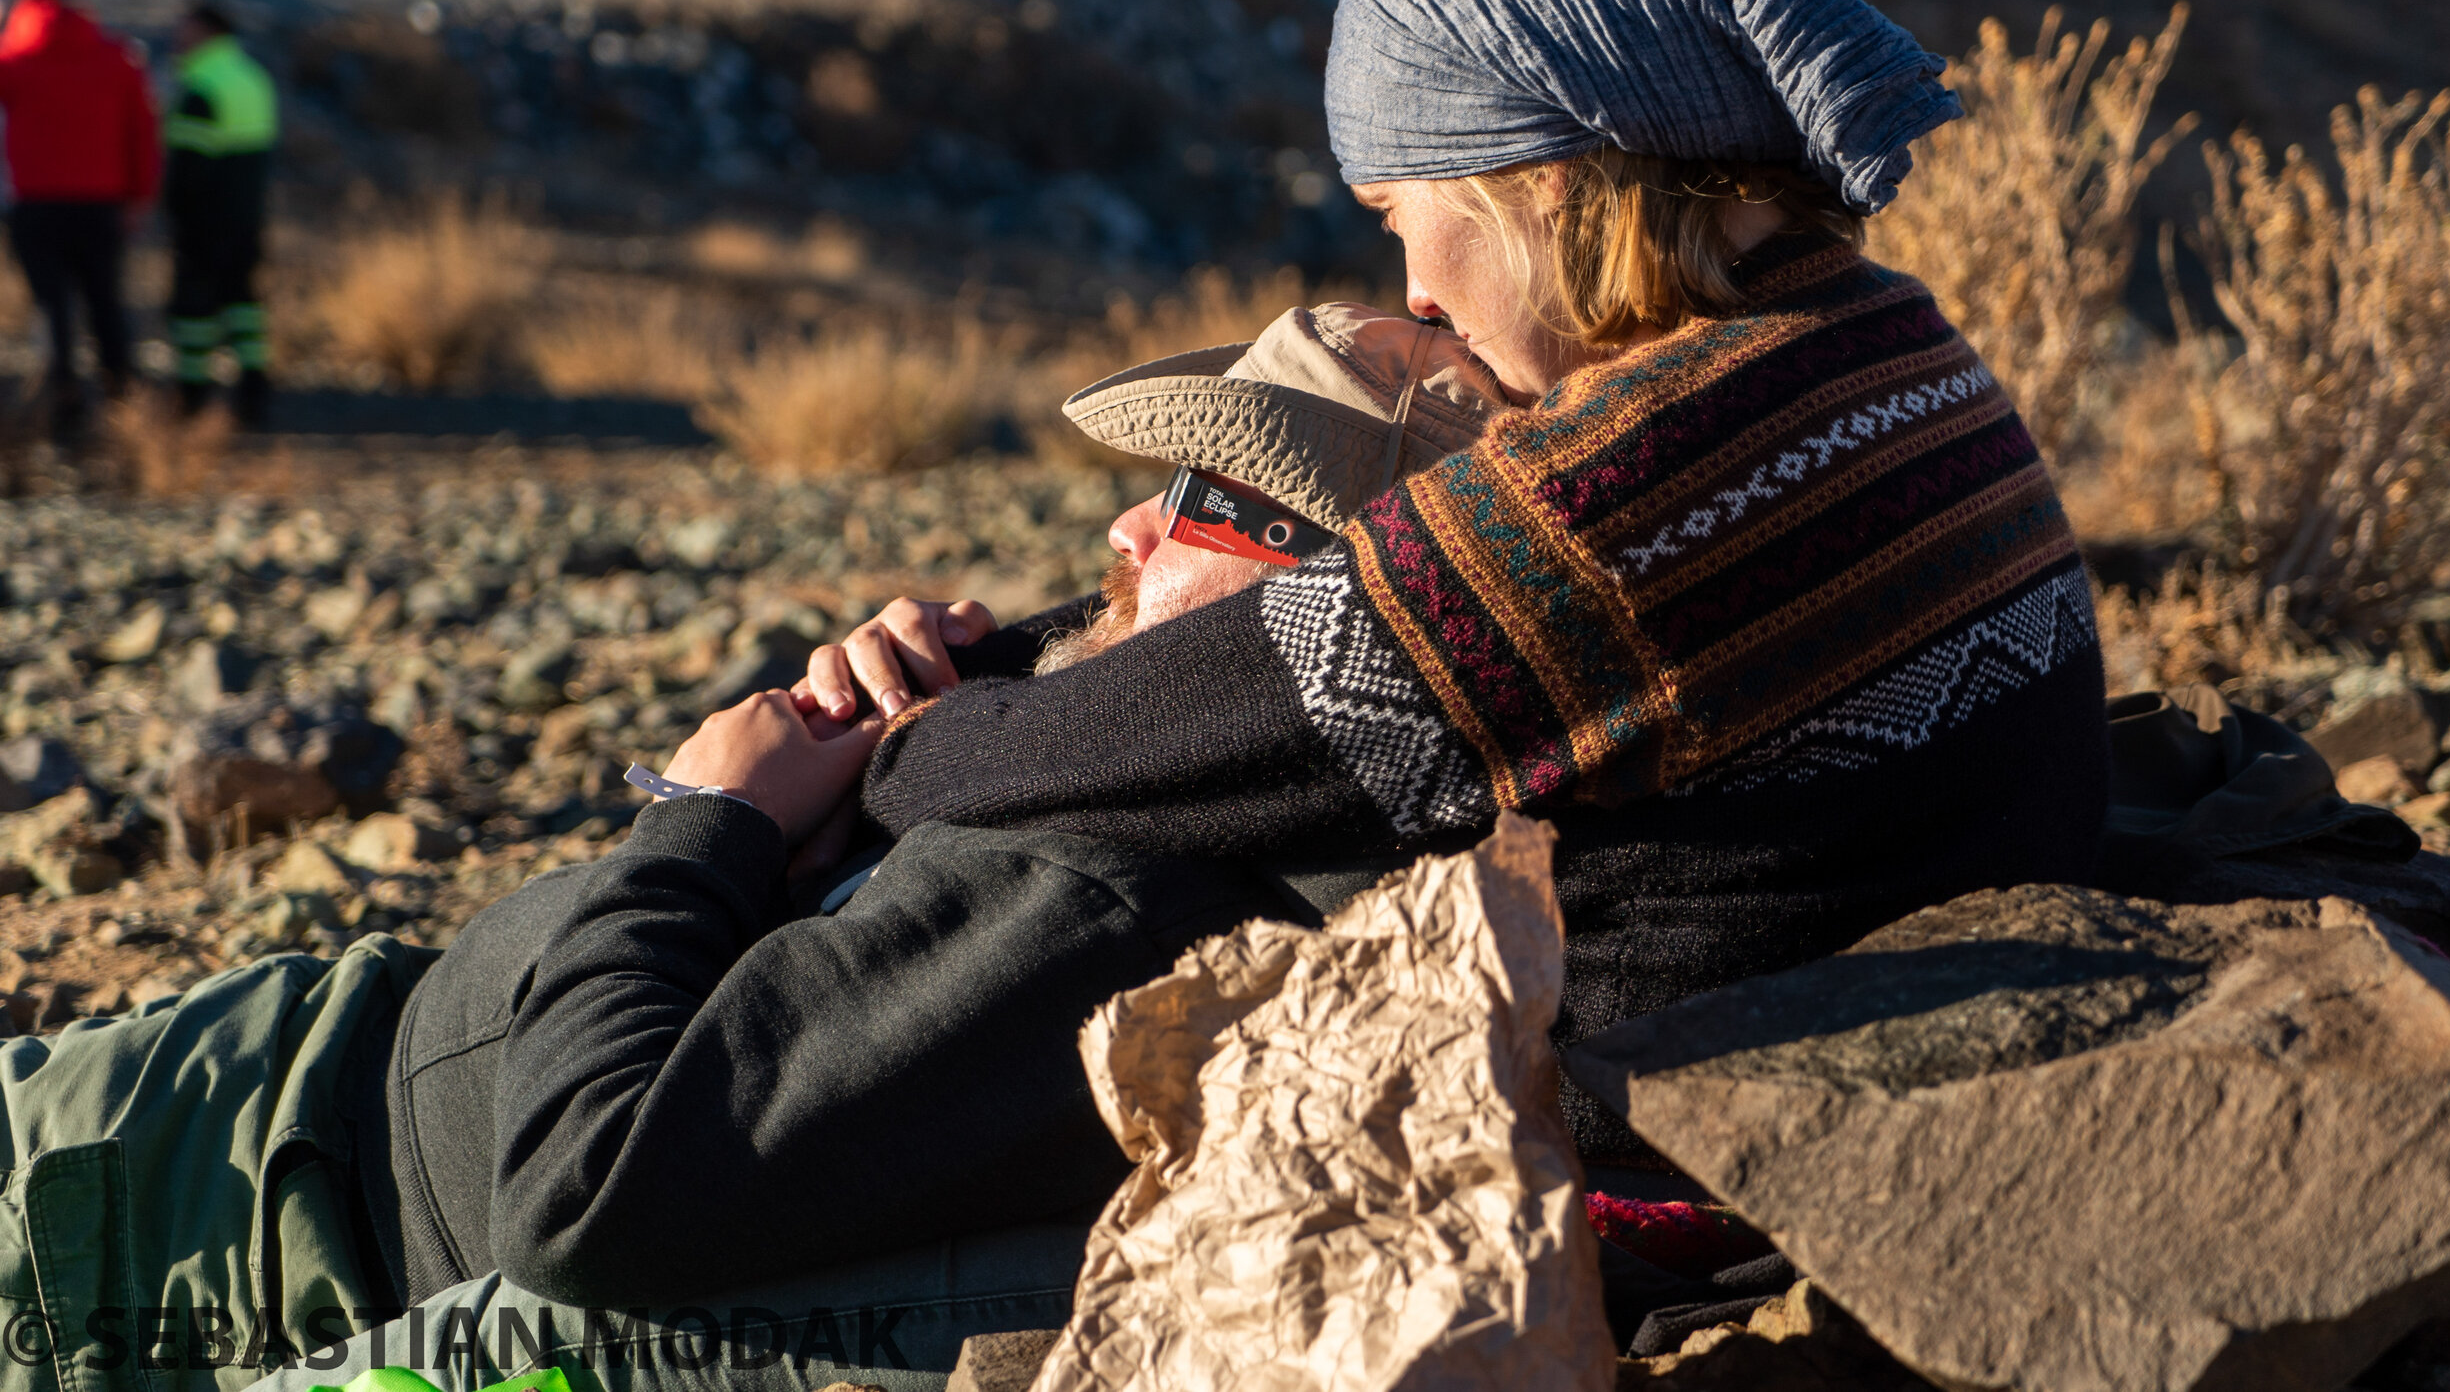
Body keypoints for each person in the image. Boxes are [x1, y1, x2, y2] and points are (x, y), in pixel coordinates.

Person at [822, 0, 2114, 1165]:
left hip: (1683, 1202)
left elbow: (1136, 744)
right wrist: (1002, 651)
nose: (1417, 290)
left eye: (1397, 209)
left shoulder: (1603, 509)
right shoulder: (1873, 332)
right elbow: (1288, 646)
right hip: (1901, 1085)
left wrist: (883, 733)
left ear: (1537, 176)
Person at [0, 306, 1505, 1389]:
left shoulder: (1113, 889)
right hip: (312, 1065)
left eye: (1209, 500)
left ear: (1301, 625)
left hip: (244, 1205)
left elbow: (584, 1182)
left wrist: (699, 828)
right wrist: (915, 727)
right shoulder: (1125, 772)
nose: (1124, 523)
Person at [0, 0, 159, 439]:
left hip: (34, 203)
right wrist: (139, 199)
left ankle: (63, 399)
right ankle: (120, 395)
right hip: (101, 202)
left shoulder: (11, 60)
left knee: (52, 306)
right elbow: (142, 137)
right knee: (104, 299)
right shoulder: (117, 58)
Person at [162, 0, 278, 424]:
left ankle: (193, 397)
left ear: (206, 32)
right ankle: (254, 385)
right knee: (243, 303)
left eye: (185, 27)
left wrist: (173, 212)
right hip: (247, 214)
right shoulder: (253, 77)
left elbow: (188, 167)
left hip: (204, 220)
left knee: (194, 310)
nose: (178, 36)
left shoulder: (201, 87)